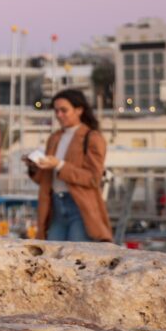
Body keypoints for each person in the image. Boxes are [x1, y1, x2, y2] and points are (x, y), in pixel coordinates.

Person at [25, 89, 112, 242]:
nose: (59, 115)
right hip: (55, 206)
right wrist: (34, 165)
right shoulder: (55, 138)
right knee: (53, 256)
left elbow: (93, 178)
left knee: (76, 257)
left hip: (79, 206)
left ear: (79, 110)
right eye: (56, 111)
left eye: (64, 110)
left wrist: (60, 165)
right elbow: (44, 180)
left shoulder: (92, 137)